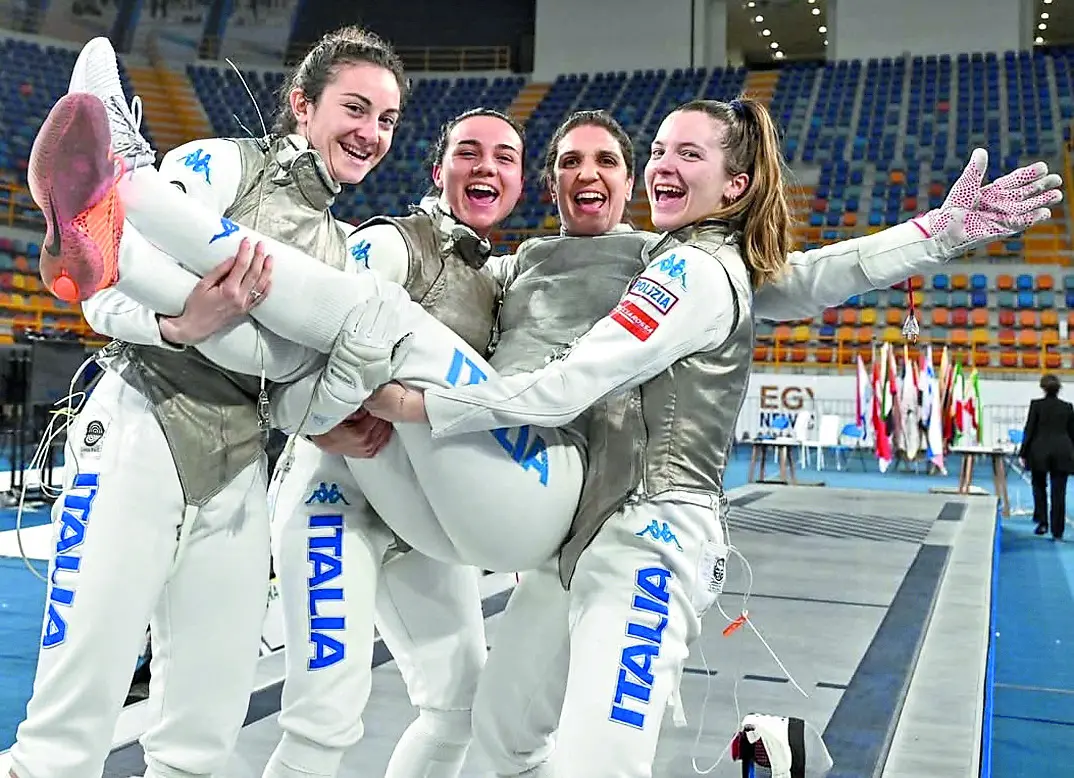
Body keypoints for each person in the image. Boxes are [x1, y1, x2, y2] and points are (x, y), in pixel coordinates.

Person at [28, 73, 1062, 577]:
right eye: (567, 162)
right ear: (547, 184)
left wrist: (934, 233)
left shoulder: (678, 264)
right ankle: (120, 251)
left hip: (538, 480)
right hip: (450, 497)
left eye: (608, 160)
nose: (590, 174)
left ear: (636, 185)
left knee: (375, 321)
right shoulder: (512, 266)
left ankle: (132, 187)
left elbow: (810, 275)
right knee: (310, 332)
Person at [359, 99, 1065, 777]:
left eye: (682, 153)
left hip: (649, 536)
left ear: (732, 183)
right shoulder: (567, 262)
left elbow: (807, 278)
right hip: (572, 537)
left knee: (595, 761)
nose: (661, 163)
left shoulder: (685, 267)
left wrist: (424, 406)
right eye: (661, 148)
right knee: (503, 731)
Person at [7, 28, 409, 778]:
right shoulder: (224, 162)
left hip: (237, 470)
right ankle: (121, 172)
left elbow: (283, 387)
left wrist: (322, 420)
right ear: (301, 104)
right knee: (67, 734)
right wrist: (178, 324)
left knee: (201, 742)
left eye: (386, 120)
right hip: (141, 426)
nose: (372, 134)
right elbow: (98, 291)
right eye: (356, 108)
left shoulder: (340, 244)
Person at [262, 106, 526, 778]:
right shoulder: (389, 244)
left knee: (458, 706)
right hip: (337, 497)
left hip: (428, 522)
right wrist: (310, 418)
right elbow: (295, 337)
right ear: (438, 170)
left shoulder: (499, 284)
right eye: (469, 152)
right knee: (324, 718)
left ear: (521, 182)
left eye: (504, 157)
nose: (486, 166)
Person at [1019, 373, 1074, 540]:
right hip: (1062, 451)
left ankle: (1042, 521)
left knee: (1039, 486)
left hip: (1040, 450)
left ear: (1043, 388)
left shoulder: (1036, 405)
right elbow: (1072, 433)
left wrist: (1023, 452)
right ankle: (1058, 530)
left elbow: (1030, 430)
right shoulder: (1068, 407)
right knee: (1059, 492)